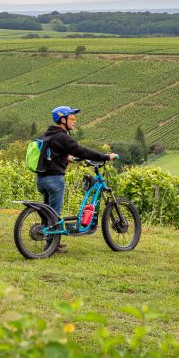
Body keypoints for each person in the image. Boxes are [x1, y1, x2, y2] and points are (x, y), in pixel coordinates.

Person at [35, 106, 118, 253]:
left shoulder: (48, 134)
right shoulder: (62, 136)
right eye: (72, 118)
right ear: (63, 119)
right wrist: (106, 157)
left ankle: (53, 242)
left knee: (49, 212)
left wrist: (67, 157)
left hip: (42, 179)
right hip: (54, 179)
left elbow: (50, 152)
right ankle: (51, 247)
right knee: (54, 213)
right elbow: (81, 150)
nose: (75, 121)